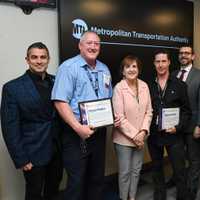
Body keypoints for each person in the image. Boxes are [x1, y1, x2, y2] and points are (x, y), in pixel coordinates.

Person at [51, 31, 112, 200]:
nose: (93, 47)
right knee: (76, 182)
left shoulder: (104, 68)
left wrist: (114, 116)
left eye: (97, 44)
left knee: (97, 178)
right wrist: (78, 128)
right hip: (75, 134)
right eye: (89, 43)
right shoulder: (68, 67)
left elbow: (108, 99)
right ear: (80, 45)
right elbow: (60, 101)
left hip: (98, 133)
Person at [1, 42, 63, 200]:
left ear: (49, 59)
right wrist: (21, 158)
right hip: (32, 153)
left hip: (58, 150)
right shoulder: (12, 88)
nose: (39, 61)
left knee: (54, 190)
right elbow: (10, 127)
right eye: (34, 57)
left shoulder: (58, 81)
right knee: (34, 193)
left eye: (43, 57)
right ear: (27, 60)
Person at [147, 50, 190, 200]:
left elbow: (186, 111)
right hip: (154, 136)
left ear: (169, 62)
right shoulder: (147, 85)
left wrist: (177, 127)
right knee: (157, 170)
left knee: (179, 171)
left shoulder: (180, 85)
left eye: (163, 61)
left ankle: (183, 196)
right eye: (158, 62)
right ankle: (160, 197)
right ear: (154, 63)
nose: (161, 65)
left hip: (174, 135)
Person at [112, 55, 152, 200]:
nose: (131, 69)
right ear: (123, 71)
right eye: (127, 66)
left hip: (141, 137)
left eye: (134, 66)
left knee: (136, 171)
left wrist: (143, 132)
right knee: (125, 173)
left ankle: (132, 197)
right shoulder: (118, 88)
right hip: (123, 140)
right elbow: (119, 117)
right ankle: (124, 198)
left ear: (138, 69)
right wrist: (137, 135)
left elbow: (149, 112)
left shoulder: (144, 86)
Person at [172, 46, 200, 200]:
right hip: (176, 126)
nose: (183, 55)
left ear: (193, 56)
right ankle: (180, 185)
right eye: (181, 53)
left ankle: (192, 189)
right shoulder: (173, 74)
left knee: (194, 158)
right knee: (178, 158)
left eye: (187, 53)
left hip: (193, 126)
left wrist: (199, 125)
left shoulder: (199, 75)